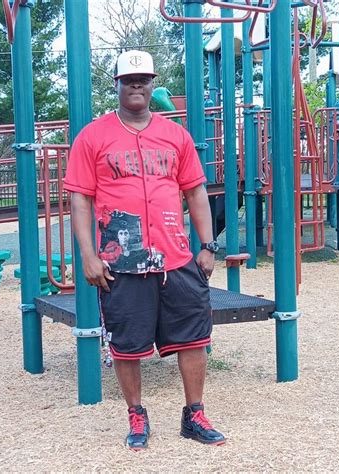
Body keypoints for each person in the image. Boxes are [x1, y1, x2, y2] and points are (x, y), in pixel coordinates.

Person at [64, 50, 225, 450]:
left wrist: (208, 246)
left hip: (176, 256)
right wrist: (87, 255)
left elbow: (195, 191)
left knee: (193, 337)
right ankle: (136, 415)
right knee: (126, 343)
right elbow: (80, 199)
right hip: (121, 261)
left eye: (144, 79)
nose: (136, 84)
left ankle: (194, 415)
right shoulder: (93, 136)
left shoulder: (175, 135)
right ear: (117, 84)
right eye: (128, 79)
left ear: (153, 85)